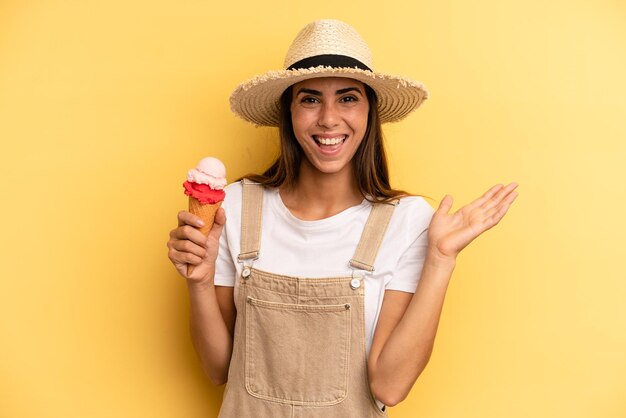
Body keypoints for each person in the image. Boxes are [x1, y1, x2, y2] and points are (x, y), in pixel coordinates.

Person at [167, 19, 518, 418]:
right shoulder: (236, 206)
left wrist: (441, 259)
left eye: (348, 98)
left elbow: (390, 385)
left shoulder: (407, 222)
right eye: (310, 99)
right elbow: (217, 369)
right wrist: (198, 280)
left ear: (370, 111)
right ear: (289, 112)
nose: (329, 119)